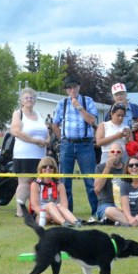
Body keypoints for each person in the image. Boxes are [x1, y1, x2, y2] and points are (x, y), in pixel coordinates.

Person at [51, 75, 99, 215]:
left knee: (90, 180)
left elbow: (91, 121)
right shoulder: (62, 104)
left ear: (79, 87)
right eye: (69, 88)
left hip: (85, 145)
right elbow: (54, 124)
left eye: (74, 87)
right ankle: (67, 211)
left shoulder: (87, 101)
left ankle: (96, 211)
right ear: (66, 90)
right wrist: (63, 139)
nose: (72, 90)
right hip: (67, 145)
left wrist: (79, 107)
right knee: (66, 181)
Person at [11, 87, 49, 216]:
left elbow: (46, 133)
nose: (29, 100)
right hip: (24, 155)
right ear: (21, 101)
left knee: (38, 183)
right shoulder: (18, 114)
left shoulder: (39, 115)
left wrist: (46, 141)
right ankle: (20, 211)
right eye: (26, 98)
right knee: (25, 182)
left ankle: (35, 208)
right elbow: (16, 132)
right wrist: (34, 141)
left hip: (40, 155)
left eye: (32, 98)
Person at [29, 156, 81, 227]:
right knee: (51, 204)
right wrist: (46, 215)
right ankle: (63, 222)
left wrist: (56, 214)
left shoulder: (60, 185)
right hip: (41, 214)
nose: (48, 169)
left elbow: (64, 205)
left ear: (54, 169)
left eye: (51, 167)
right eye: (44, 167)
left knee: (59, 205)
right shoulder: (35, 184)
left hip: (57, 211)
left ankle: (75, 222)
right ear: (40, 169)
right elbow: (34, 206)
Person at [93, 142, 129, 225]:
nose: (115, 154)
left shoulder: (127, 168)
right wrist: (108, 167)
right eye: (112, 152)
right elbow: (97, 190)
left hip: (125, 203)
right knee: (109, 211)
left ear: (122, 155)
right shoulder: (100, 167)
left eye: (118, 152)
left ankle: (120, 221)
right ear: (108, 154)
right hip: (106, 204)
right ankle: (130, 222)